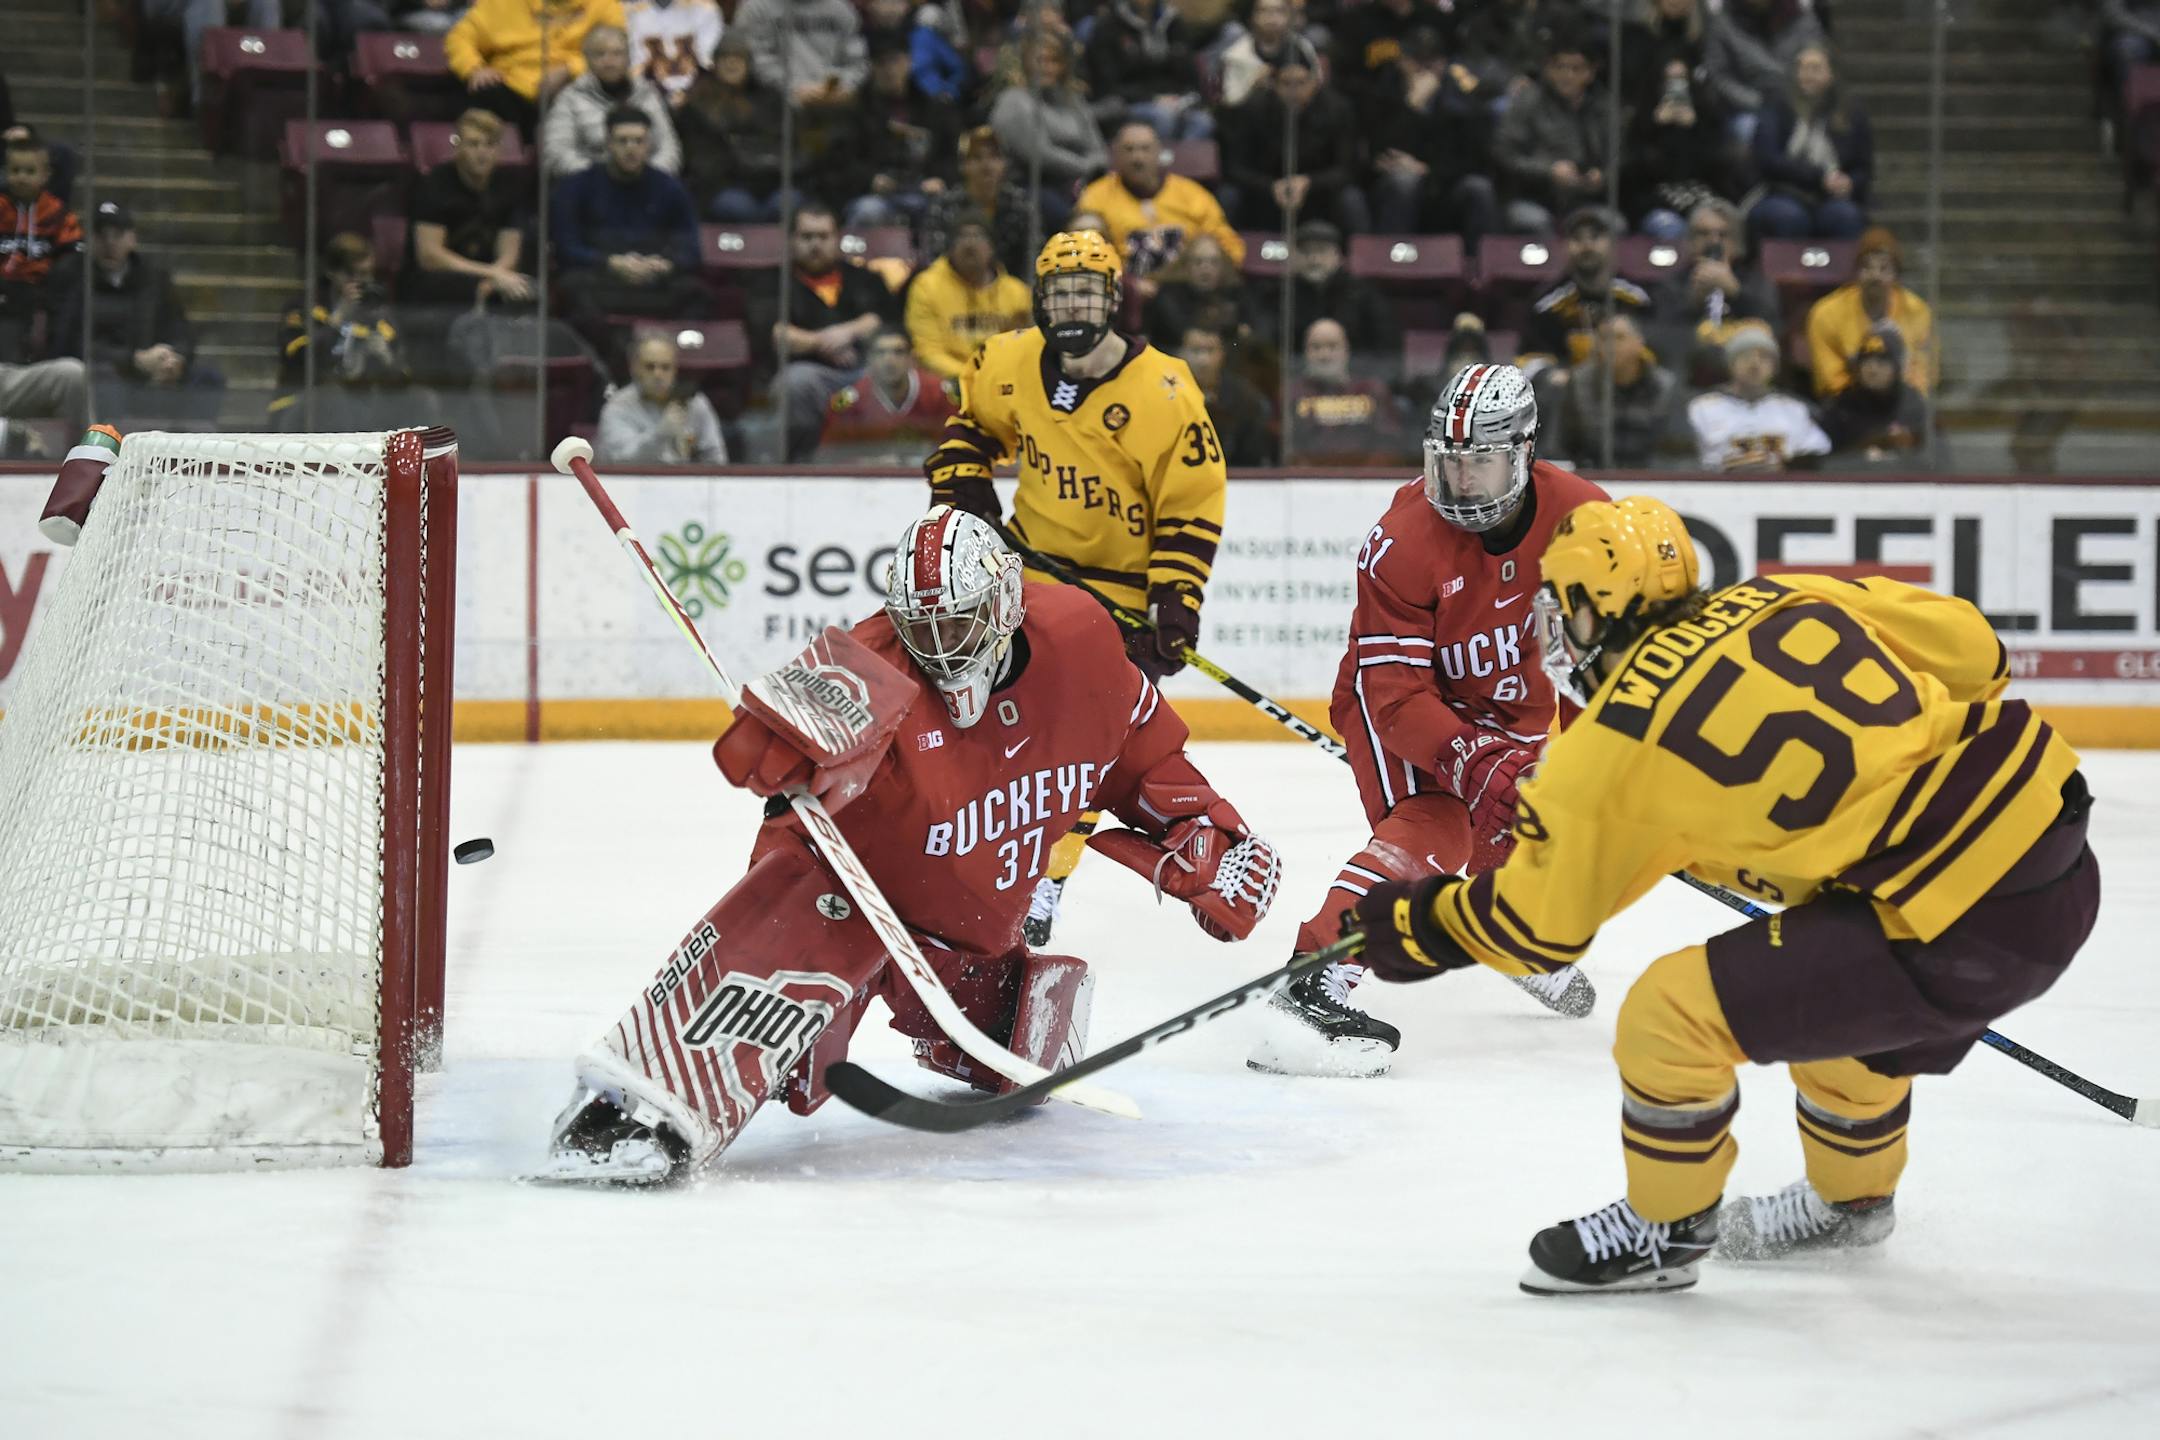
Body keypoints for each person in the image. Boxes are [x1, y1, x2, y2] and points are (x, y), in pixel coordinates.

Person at [1342, 494, 2097, 1294]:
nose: (1554, 632)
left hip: (1955, 921)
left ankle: (1665, 1230)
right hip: (2056, 845)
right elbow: (1978, 653)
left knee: (1668, 1013)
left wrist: (1415, 925)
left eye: (1562, 608)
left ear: (1596, 610)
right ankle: (1852, 1202)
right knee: (1841, 989)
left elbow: (1535, 929)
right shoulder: (1783, 593)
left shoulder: (1612, 742)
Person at [539, 507, 1283, 1182]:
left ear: (1004, 608)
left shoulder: (1081, 642)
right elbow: (820, 706)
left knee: (1027, 1053)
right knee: (799, 998)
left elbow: (1137, 751)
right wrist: (792, 739)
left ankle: (981, 1009)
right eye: (918, 629)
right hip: (850, 903)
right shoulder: (876, 665)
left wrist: (1200, 829)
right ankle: (644, 1100)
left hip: (965, 932)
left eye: (955, 628)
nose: (936, 650)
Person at [1251, 360, 1606, 1076]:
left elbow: (1594, 658)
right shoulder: (1402, 541)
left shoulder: (1586, 520)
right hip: (1401, 710)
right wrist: (1473, 762)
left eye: (1481, 465)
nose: (1461, 484)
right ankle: (1311, 981)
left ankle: (1504, 931)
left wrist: (1598, 761)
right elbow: (1397, 695)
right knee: (1437, 829)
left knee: (1528, 823)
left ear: (1526, 454)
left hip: (1511, 709)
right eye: (1450, 465)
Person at [925, 230, 1228, 945]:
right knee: (997, 729)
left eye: (1086, 292)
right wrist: (965, 485)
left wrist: (1176, 598)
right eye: (1058, 293)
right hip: (1030, 581)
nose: (1071, 306)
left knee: (1082, 747)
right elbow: (971, 430)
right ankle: (986, 859)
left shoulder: (1165, 389)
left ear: (1115, 299)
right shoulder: (1007, 361)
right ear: (1039, 299)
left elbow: (1192, 505)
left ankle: (1043, 880)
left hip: (1120, 595)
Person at [550, 106, 706, 349]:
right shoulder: (578, 187)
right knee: (571, 288)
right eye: (622, 141)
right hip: (603, 279)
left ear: (649, 145)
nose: (630, 148)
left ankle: (670, 362)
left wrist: (666, 264)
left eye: (638, 141)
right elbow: (566, 247)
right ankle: (609, 364)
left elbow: (691, 249)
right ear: (608, 144)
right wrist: (611, 263)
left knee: (697, 292)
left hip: (653, 281)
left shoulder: (670, 188)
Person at [759, 203, 901, 460]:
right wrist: (823, 342)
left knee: (895, 371)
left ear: (837, 239)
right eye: (807, 237)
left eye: (823, 236)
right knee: (796, 383)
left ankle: (888, 458)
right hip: (811, 376)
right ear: (792, 240)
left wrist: (846, 333)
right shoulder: (774, 282)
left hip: (863, 372)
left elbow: (882, 321)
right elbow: (777, 334)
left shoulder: (865, 279)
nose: (815, 244)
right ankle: (801, 464)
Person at [74, 201, 225, 424]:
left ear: (132, 238)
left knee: (208, 379)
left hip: (157, 373)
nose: (110, 242)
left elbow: (181, 329)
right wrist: (133, 360)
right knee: (101, 380)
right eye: (102, 235)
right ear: (90, 239)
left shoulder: (154, 277)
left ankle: (191, 450)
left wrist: (174, 359)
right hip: (114, 375)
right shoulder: (77, 278)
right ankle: (111, 447)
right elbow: (75, 344)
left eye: (118, 234)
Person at [269, 232, 425, 431]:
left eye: (368, 274)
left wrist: (387, 360)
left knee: (421, 398)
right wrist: (338, 319)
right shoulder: (302, 309)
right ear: (332, 272)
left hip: (362, 408)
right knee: (331, 397)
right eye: (354, 274)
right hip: (301, 405)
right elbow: (297, 359)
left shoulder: (380, 317)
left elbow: (404, 374)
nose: (363, 282)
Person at [1366, 25, 1500, 251]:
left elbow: (1474, 159)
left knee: (1479, 188)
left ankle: (1479, 270)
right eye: (1415, 61)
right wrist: (1412, 106)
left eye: (1430, 63)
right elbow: (1380, 151)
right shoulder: (1383, 94)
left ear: (1443, 64)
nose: (1422, 70)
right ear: (1402, 62)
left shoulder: (1460, 100)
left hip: (1445, 190)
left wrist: (1427, 169)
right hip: (1394, 193)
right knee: (1403, 181)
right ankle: (1393, 263)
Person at [1218, 38, 1370, 235]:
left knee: (1351, 198)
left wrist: (1308, 182)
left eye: (1301, 83)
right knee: (1229, 195)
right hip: (1265, 193)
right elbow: (1235, 167)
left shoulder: (1338, 109)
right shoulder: (1253, 109)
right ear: (1273, 83)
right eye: (1286, 83)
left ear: (1315, 81)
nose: (1294, 92)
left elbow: (1348, 167)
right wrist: (1271, 186)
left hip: (1319, 194)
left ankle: (1361, 258)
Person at [1075, 122, 1247, 283]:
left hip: (1187, 287)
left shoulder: (1192, 194)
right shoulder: (1096, 196)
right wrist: (1128, 283)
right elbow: (1084, 254)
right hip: (1124, 288)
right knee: (1088, 224)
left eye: (1145, 149)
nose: (1137, 158)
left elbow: (1227, 243)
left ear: (1159, 152)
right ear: (1115, 154)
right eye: (1129, 150)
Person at [404, 108, 534, 312]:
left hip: (491, 274)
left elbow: (510, 251)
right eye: (474, 144)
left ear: (499, 150)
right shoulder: (434, 185)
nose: (482, 153)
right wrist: (490, 274)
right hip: (442, 276)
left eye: (490, 145)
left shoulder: (510, 187)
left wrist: (494, 278)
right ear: (458, 147)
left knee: (527, 291)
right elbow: (430, 256)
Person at [1642, 197, 1775, 387]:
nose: (1713, 241)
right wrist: (1694, 302)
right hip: (1688, 377)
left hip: (1745, 377)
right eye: (1703, 234)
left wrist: (1735, 292)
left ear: (1737, 243)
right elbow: (1662, 339)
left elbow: (1772, 325)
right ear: (1688, 242)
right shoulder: (1670, 284)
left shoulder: (1756, 282)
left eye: (1723, 234)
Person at [1747, 44, 1870, 244]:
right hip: (1783, 191)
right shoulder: (1777, 107)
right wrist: (1819, 177)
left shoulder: (1851, 113)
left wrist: (1850, 182)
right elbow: (1768, 159)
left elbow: (1863, 167)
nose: (1808, 74)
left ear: (1831, 73)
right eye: (1803, 68)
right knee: (1788, 217)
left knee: (1846, 216)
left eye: (1816, 68)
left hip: (1832, 198)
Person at [446, 0, 628, 135]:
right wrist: (473, 68)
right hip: (510, 90)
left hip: (571, 93)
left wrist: (570, 69)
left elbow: (617, 50)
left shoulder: (604, 5)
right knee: (483, 95)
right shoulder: (501, 4)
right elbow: (459, 37)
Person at [1493, 30, 1612, 236]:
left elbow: (1620, 156)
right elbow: (1504, 154)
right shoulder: (1528, 101)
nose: (1567, 75)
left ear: (1591, 72)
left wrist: (1603, 177)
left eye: (1576, 69)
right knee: (1535, 223)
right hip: (1533, 198)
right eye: (1560, 67)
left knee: (1614, 224)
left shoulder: (1605, 106)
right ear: (1548, 69)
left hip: (1588, 201)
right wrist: (1548, 171)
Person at [840, 34, 962, 229]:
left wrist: (940, 178)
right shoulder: (858, 111)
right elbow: (843, 162)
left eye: (895, 61)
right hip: (876, 196)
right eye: (881, 63)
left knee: (945, 210)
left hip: (923, 191)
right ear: (871, 67)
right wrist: (870, 179)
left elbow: (950, 157)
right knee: (868, 212)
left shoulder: (933, 108)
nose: (889, 70)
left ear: (909, 62)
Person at [988, 28, 1106, 225]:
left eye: (1054, 61)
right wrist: (1086, 167)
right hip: (1031, 186)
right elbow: (1039, 154)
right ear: (1025, 62)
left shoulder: (1073, 99)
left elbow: (1096, 144)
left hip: (1078, 181)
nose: (1047, 67)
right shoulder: (1014, 101)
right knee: (1072, 219)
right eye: (1040, 60)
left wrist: (1097, 164)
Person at [674, 33, 795, 223]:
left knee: (789, 204)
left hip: (772, 182)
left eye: (738, 58)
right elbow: (698, 158)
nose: (732, 64)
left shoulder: (770, 99)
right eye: (725, 58)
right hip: (722, 185)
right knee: (739, 208)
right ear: (714, 63)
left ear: (749, 63)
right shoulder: (697, 102)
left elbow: (785, 145)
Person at [1519, 205, 1652, 379]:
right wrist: (1554, 376)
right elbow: (1528, 361)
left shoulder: (1637, 299)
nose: (1586, 245)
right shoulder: (1546, 305)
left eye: (1595, 236)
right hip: (1567, 395)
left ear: (1612, 244)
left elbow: (1656, 354)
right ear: (1564, 247)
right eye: (1576, 238)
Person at [1805, 225, 1937, 398]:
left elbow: (1924, 374)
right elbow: (1829, 379)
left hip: (1901, 402)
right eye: (1867, 267)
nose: (1875, 275)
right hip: (1849, 403)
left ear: (1896, 276)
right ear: (1855, 273)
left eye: (1884, 268)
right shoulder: (1825, 314)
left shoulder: (1918, 313)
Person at [540, 23, 684, 180]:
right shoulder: (570, 98)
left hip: (647, 187)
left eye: (617, 54)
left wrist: (648, 178)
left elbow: (669, 148)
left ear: (629, 58)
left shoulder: (647, 94)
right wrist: (603, 179)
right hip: (589, 190)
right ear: (587, 60)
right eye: (600, 54)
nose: (609, 62)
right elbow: (556, 152)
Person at [1687, 321, 1830, 473]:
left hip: (1783, 490)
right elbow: (1685, 460)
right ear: (1730, 364)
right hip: (1718, 490)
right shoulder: (1702, 407)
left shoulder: (1793, 409)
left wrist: (1785, 466)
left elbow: (1817, 453)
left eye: (1764, 357)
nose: (1755, 363)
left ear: (1774, 368)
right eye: (1745, 356)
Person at [903, 211, 1031, 380]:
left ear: (992, 247)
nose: (970, 244)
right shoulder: (926, 286)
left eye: (978, 236)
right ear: (950, 247)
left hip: (1004, 381)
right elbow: (928, 351)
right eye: (962, 237)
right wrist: (971, 377)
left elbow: (1026, 349)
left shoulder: (1017, 292)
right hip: (949, 384)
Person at [1551, 312, 1680, 469]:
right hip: (1592, 477)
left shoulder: (1664, 386)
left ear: (1639, 343)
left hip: (1651, 478)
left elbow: (1676, 450)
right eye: (1604, 338)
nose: (1611, 346)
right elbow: (1561, 447)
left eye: (1619, 338)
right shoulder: (1579, 383)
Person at [1282, 317, 1412, 467]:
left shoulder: (1371, 391)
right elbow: (1284, 445)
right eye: (1316, 347)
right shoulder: (1292, 394)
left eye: (1332, 346)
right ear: (1305, 352)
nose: (1324, 355)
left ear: (1346, 350)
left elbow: (1390, 443)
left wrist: (1366, 476)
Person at [1263, 219, 1397, 360]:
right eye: (1306, 252)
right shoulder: (1280, 294)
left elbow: (1387, 348)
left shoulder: (1363, 296)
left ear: (1338, 256)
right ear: (1294, 257)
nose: (1314, 259)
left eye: (1322, 251)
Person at [0, 136, 82, 366]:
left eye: (30, 171)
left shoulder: (58, 213)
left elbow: (73, 253)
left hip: (41, 296)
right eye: (15, 170)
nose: (22, 177)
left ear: (45, 175)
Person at [1083, 0, 1215, 141]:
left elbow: (1190, 76)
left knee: (1203, 122)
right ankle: (1157, 162)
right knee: (1162, 118)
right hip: (1127, 103)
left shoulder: (1174, 23)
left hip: (1173, 100)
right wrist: (1153, 98)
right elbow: (1107, 85)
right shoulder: (1108, 26)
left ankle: (1180, 162)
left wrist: (1182, 97)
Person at [921, 128, 1041, 281]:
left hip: (1010, 295)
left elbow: (1033, 261)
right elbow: (934, 261)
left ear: (1005, 164)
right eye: (977, 158)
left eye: (994, 157)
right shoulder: (944, 206)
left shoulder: (1021, 205)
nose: (986, 166)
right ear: (963, 165)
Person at [821, 325, 958, 461]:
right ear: (869, 359)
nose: (889, 360)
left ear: (912, 359)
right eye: (880, 353)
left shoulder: (939, 394)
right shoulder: (850, 402)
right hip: (869, 481)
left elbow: (960, 445)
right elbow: (831, 457)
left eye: (898, 352)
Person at [597, 331, 727, 463]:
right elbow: (621, 460)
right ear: (634, 368)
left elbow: (716, 457)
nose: (658, 374)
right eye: (650, 367)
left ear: (675, 370)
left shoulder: (695, 403)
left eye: (665, 367)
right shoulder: (617, 407)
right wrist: (661, 434)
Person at [1820, 328, 1929, 467]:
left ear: (1898, 368)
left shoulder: (1913, 405)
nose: (1873, 369)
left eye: (1882, 361)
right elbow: (1825, 464)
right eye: (1866, 361)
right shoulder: (1842, 407)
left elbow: (1936, 461)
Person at [1180, 324, 1273, 466]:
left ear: (1222, 354)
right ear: (1182, 353)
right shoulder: (1168, 394)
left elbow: (1252, 458)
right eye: (1195, 351)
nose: (1203, 360)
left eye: (1210, 351)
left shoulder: (1245, 398)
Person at [623, 0, 723, 104]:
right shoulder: (628, 11)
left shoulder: (703, 8)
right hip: (647, 92)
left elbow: (704, 58)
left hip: (696, 94)